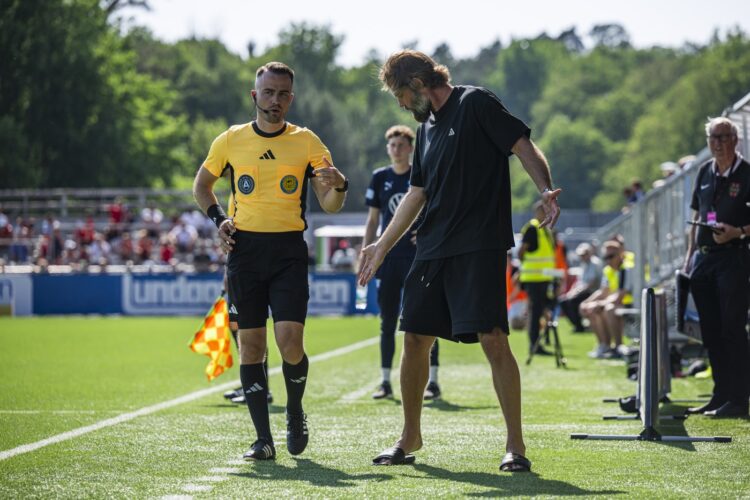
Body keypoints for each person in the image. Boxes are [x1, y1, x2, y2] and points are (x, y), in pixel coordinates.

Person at [358, 50, 560, 472]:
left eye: (399, 93)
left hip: (479, 244)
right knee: (414, 337)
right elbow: (417, 194)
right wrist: (380, 246)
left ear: (416, 83)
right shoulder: (427, 127)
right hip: (432, 247)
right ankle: (410, 436)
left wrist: (544, 188)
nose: (399, 104)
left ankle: (515, 446)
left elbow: (522, 144)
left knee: (492, 339)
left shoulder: (475, 102)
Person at [193, 61, 348, 461]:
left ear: (291, 98)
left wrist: (340, 186)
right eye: (268, 93)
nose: (275, 100)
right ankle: (263, 439)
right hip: (244, 253)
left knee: (289, 342)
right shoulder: (230, 140)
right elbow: (202, 185)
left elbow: (330, 205)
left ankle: (294, 410)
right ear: (254, 95)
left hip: (288, 253)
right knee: (251, 346)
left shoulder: (307, 141)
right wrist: (219, 220)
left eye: (282, 94)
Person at [364, 125, 441, 401]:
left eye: (401, 145)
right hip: (389, 259)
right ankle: (385, 381)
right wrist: (367, 250)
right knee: (387, 321)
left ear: (410, 148)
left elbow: (433, 206)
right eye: (392, 145)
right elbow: (373, 219)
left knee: (426, 320)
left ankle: (433, 381)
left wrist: (426, 228)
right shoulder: (379, 177)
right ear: (388, 148)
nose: (396, 149)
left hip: (417, 257)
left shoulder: (419, 174)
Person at [683, 117, 749, 418]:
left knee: (732, 328)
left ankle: (738, 398)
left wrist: (738, 231)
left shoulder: (746, 173)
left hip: (734, 256)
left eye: (723, 136)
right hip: (704, 257)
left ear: (735, 140)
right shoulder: (704, 172)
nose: (718, 143)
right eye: (713, 137)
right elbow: (700, 214)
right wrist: (689, 258)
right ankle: (719, 394)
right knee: (710, 331)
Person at [579, 240, 633, 359]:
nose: (608, 260)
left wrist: (600, 303)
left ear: (620, 254)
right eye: (606, 257)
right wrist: (587, 303)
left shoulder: (626, 268)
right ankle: (604, 345)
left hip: (629, 303)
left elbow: (621, 294)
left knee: (608, 309)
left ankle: (618, 346)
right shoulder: (608, 270)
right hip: (615, 302)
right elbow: (603, 291)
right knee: (591, 309)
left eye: (611, 256)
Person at [518, 202, 557, 356]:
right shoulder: (533, 228)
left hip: (543, 278)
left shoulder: (545, 230)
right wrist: (525, 267)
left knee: (543, 311)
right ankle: (534, 345)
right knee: (536, 313)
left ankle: (540, 342)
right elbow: (522, 251)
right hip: (534, 279)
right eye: (545, 210)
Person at [559, 242, 602, 332]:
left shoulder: (595, 263)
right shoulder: (583, 264)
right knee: (563, 301)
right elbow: (579, 282)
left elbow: (591, 283)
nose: (582, 257)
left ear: (589, 253)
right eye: (581, 255)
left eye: (584, 254)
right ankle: (577, 325)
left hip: (592, 292)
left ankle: (579, 327)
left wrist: (576, 293)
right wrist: (571, 292)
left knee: (573, 301)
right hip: (582, 291)